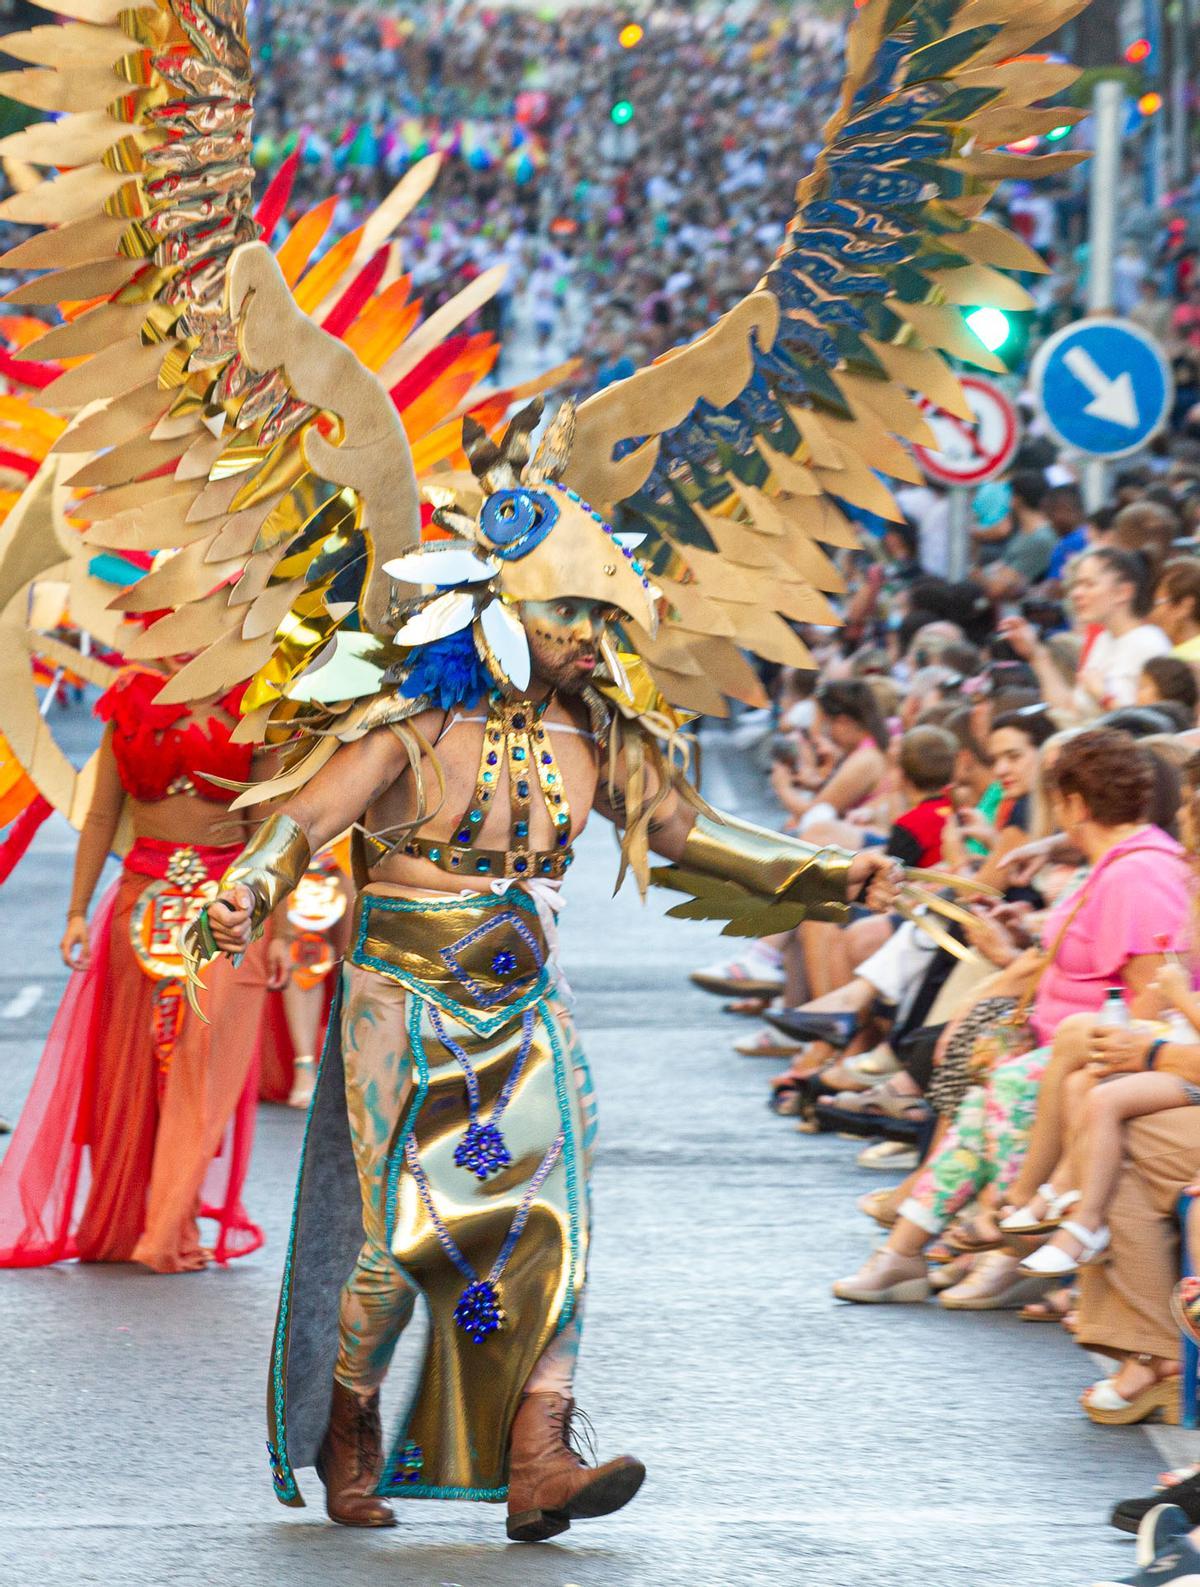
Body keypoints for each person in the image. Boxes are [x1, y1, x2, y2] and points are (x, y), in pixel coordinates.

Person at [192, 412, 902, 1541]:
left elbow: (697, 834)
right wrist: (247, 889)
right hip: (402, 1002)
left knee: (548, 1224)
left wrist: (835, 877)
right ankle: (350, 1422)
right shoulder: (409, 721)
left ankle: (541, 1457)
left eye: (599, 620)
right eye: (572, 614)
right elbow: (302, 823)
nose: (589, 639)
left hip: (527, 1009)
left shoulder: (600, 736)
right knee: (408, 1235)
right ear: (502, 607)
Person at [831, 729, 1191, 1307]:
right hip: (1065, 1035)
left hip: (1104, 1046)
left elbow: (1154, 993)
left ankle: (987, 1239)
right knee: (988, 1092)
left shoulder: (1138, 873)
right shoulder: (1116, 863)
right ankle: (915, 1248)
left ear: (1073, 804)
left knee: (1010, 1084)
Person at [0, 666, 288, 1272]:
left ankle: (169, 1225)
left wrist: (276, 926)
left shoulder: (255, 702)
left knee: (203, 1069)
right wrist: (77, 911)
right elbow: (102, 817)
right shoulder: (128, 704)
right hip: (140, 900)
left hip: (228, 909)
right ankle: (126, 1220)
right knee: (128, 1067)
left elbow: (268, 831)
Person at [999, 547, 1169, 718]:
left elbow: (1155, 725)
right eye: (1076, 585)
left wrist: (1103, 697)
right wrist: (1036, 654)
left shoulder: (1149, 643)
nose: (1076, 593)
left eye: (1089, 584)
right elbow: (1070, 711)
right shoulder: (1102, 639)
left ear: (1123, 592)